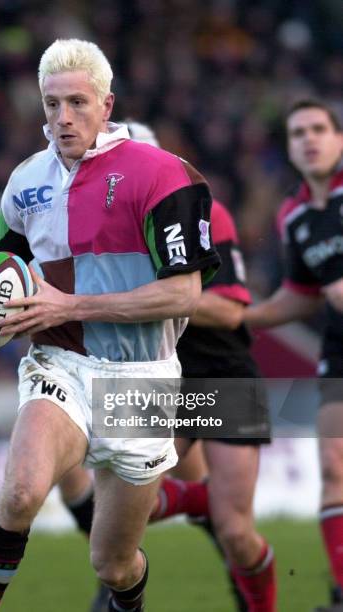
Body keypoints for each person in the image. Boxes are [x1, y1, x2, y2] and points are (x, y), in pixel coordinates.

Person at [0, 38, 219, 611]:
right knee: (20, 493)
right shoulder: (25, 183)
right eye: (51, 105)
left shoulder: (164, 175)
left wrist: (69, 306)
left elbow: (183, 293)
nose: (62, 118)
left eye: (76, 102)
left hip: (144, 378)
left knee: (114, 564)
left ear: (106, 105)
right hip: (60, 364)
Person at [124, 121, 276, 612]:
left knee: (236, 534)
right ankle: (209, 499)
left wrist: (156, 299)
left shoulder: (206, 212)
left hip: (221, 372)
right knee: (128, 510)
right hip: (155, 378)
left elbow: (232, 309)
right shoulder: (106, 228)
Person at [243, 99, 343, 612]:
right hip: (339, 346)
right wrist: (244, 317)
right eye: (298, 132)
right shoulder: (293, 215)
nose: (310, 139)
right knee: (332, 462)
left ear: (339, 137)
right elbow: (302, 292)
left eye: (319, 129)